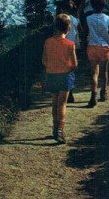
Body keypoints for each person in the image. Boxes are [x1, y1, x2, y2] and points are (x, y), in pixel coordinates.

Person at [42, 14, 78, 143]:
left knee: (54, 102)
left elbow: (44, 61)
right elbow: (74, 64)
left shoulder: (48, 42)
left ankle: (54, 127)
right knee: (62, 104)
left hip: (51, 75)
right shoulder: (70, 44)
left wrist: (52, 67)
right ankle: (60, 131)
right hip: (64, 76)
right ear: (68, 28)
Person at [85, 0, 109, 108]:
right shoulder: (108, 18)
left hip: (92, 45)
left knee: (94, 72)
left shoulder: (88, 18)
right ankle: (103, 92)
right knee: (104, 71)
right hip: (105, 46)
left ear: (92, 5)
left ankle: (93, 96)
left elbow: (86, 33)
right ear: (104, 6)